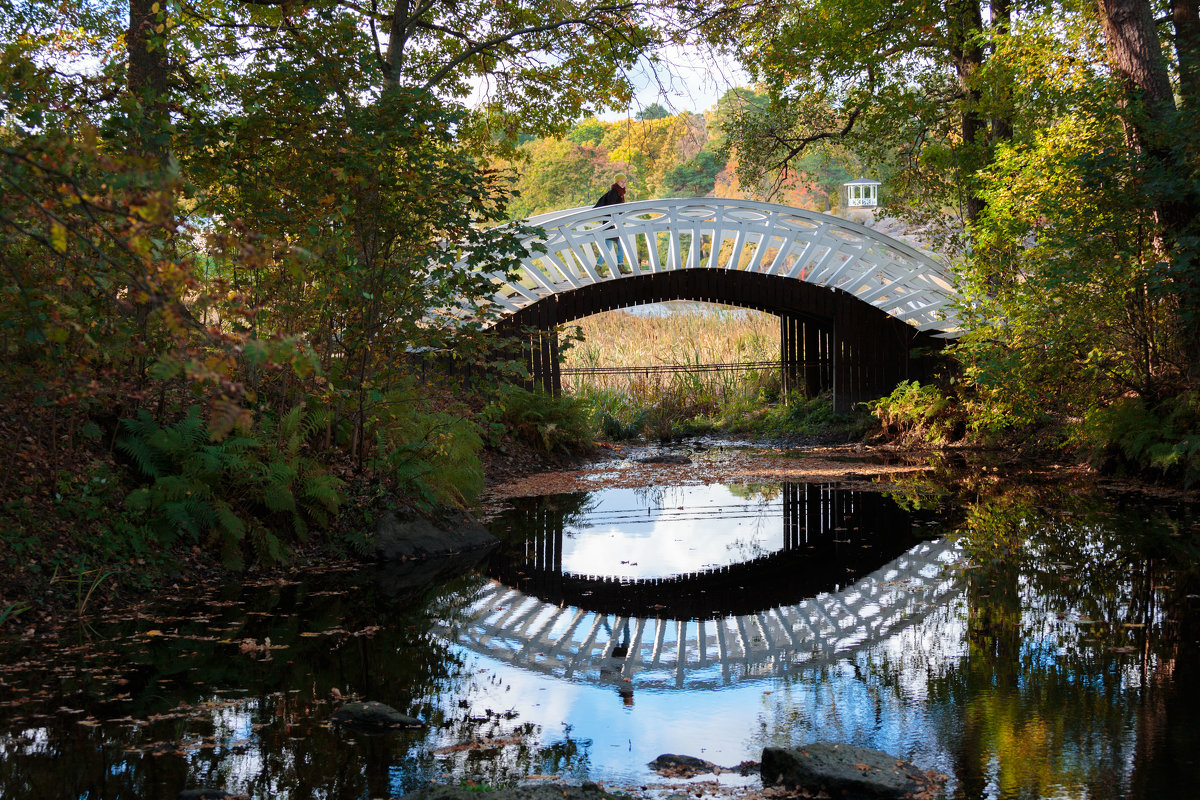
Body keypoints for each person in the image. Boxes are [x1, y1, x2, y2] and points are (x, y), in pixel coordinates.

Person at [593, 173, 628, 272]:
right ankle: (617, 266)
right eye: (621, 181)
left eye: (625, 182)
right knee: (614, 246)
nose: (623, 183)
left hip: (613, 223)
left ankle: (600, 267)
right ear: (616, 182)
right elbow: (611, 207)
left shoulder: (620, 192)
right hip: (610, 223)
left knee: (613, 246)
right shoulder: (614, 192)